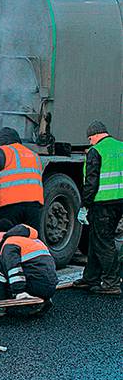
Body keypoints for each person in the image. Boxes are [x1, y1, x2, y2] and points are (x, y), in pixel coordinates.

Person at [73, 121, 122, 295]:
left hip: (102, 203)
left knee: (103, 241)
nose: (90, 142)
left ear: (94, 135)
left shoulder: (96, 150)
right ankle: (91, 278)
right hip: (119, 202)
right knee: (97, 239)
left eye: (90, 138)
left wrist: (85, 204)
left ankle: (111, 283)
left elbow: (91, 181)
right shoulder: (120, 146)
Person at [0, 219, 57, 316]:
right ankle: (44, 300)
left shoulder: (10, 243)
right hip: (50, 287)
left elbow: (13, 268)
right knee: (29, 267)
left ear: (5, 233)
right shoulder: (36, 241)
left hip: (35, 286)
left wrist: (19, 291)